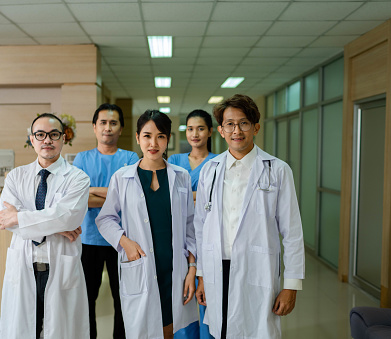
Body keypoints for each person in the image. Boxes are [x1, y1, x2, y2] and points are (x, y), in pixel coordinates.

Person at [194, 94, 305, 339]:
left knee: (256, 331)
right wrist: (201, 274)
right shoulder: (209, 171)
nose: (237, 130)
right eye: (230, 124)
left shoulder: (277, 170)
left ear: (255, 127)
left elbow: (292, 232)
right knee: (220, 331)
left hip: (258, 269)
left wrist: (291, 285)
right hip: (217, 268)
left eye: (243, 123)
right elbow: (201, 226)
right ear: (221, 130)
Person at [96, 110, 198, 339]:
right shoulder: (121, 177)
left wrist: (192, 269)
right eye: (147, 136)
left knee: (171, 330)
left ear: (168, 139)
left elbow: (191, 227)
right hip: (140, 266)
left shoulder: (181, 176)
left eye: (161, 136)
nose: (153, 143)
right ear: (137, 137)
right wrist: (124, 242)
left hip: (175, 270)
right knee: (142, 330)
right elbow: (105, 218)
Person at [0, 113, 90, 339]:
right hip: (24, 264)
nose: (47, 140)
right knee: (22, 329)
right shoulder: (16, 177)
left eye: (54, 134)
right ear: (32, 139)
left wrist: (21, 217)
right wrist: (57, 226)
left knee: (60, 331)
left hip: (59, 266)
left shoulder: (78, 178)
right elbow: (6, 221)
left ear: (63, 138)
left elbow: (68, 217)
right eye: (40, 135)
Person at [73, 103, 139, 339]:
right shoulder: (82, 158)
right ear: (94, 127)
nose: (108, 128)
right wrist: (113, 191)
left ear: (121, 128)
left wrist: (94, 191)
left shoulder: (130, 157)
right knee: (86, 299)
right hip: (88, 238)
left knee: (123, 298)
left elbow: (129, 196)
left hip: (121, 240)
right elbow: (79, 198)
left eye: (113, 123)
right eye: (103, 122)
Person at [168, 109, 217, 339]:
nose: (194, 133)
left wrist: (187, 195)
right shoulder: (175, 161)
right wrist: (198, 195)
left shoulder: (218, 163)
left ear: (210, 132)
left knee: (206, 289)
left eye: (200, 128)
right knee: (183, 295)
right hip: (181, 233)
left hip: (209, 233)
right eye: (190, 129)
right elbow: (169, 197)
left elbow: (216, 200)